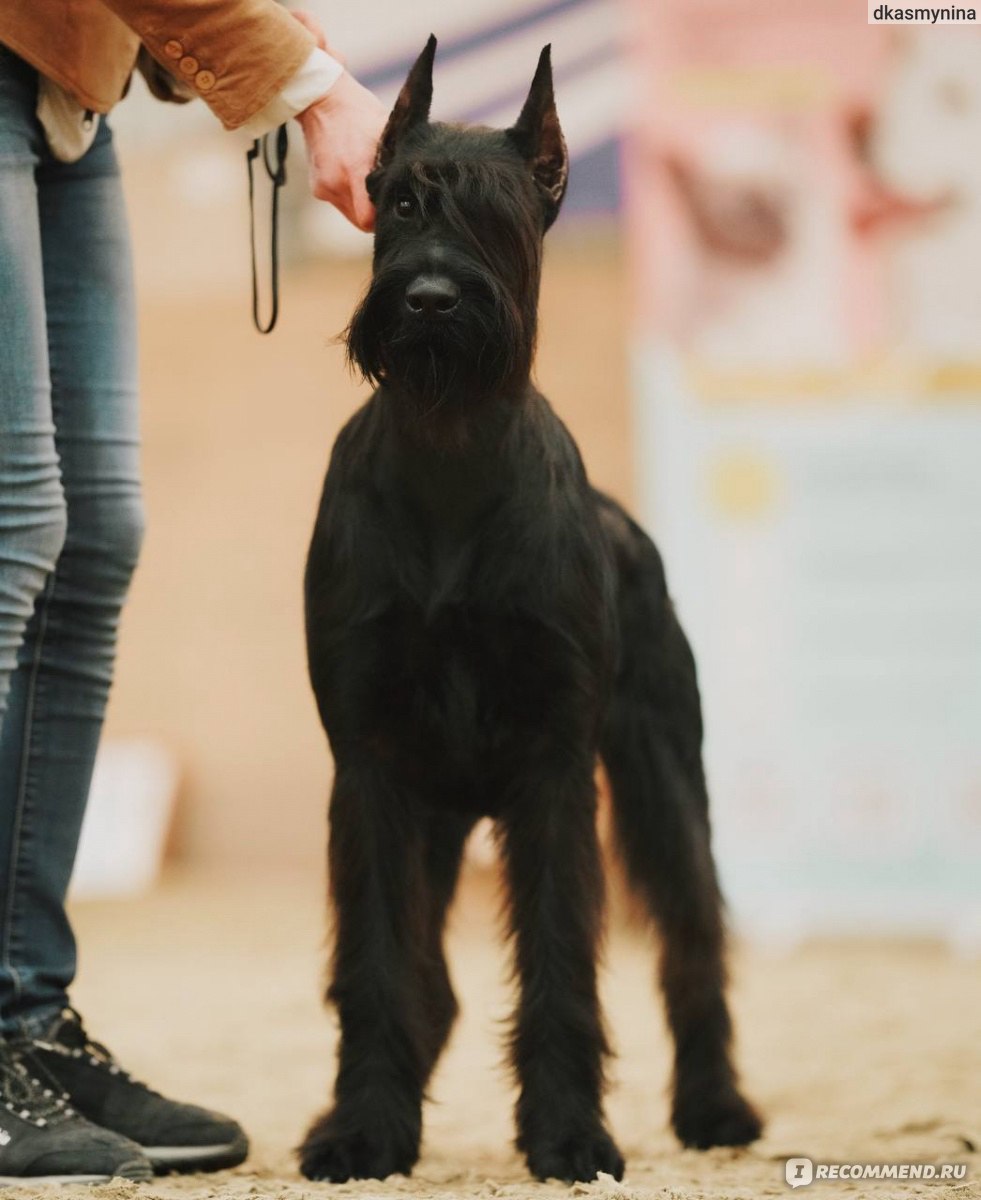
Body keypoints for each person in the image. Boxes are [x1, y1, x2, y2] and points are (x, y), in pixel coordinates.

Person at [0, 0, 386, 1184]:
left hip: (70, 78)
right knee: (12, 521)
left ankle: (19, 1017)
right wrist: (309, 84)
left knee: (94, 532)